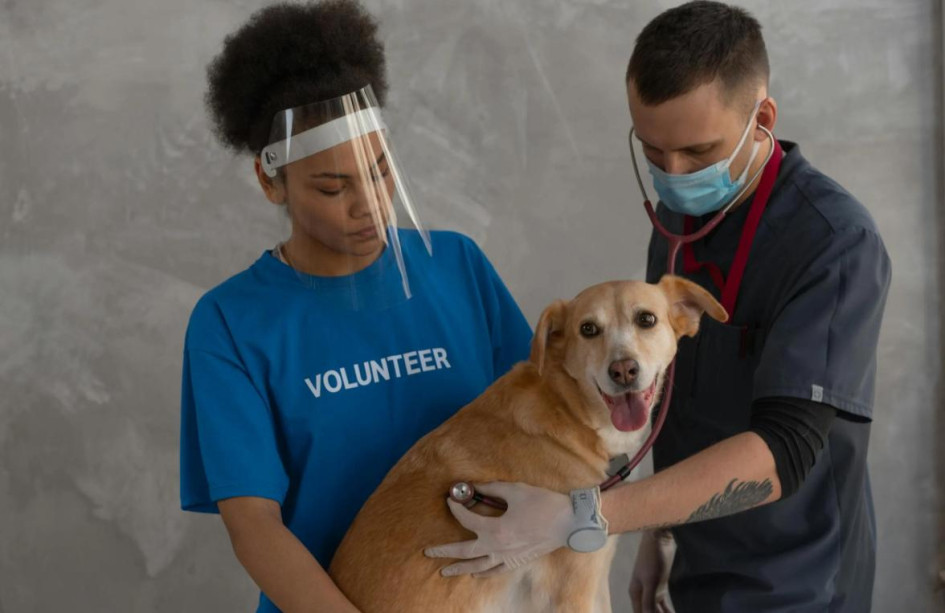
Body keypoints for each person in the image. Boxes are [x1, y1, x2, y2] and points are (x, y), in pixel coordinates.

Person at [425, 3, 891, 612]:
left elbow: (785, 451)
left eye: (697, 153)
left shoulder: (834, 244)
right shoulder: (680, 220)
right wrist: (660, 533)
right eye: (653, 152)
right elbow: (664, 390)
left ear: (761, 119)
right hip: (699, 564)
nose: (673, 174)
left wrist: (585, 515)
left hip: (797, 582)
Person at [178, 2, 533, 612]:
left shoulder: (457, 266)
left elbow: (541, 426)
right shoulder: (232, 324)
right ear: (270, 181)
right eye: (331, 186)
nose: (369, 204)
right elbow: (255, 527)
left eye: (379, 170)